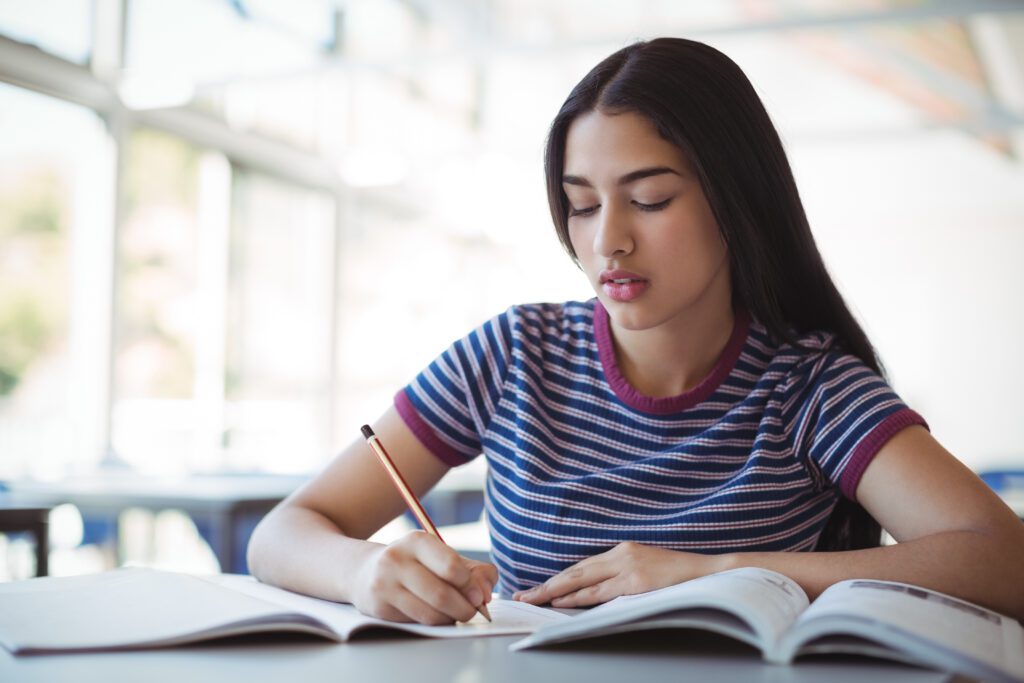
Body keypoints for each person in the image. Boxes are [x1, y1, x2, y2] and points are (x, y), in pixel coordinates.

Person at [247, 37, 1024, 625]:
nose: (607, 241)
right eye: (581, 204)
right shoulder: (514, 356)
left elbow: (1005, 556)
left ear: (735, 199)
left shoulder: (807, 385)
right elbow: (283, 533)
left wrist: (717, 570)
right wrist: (361, 574)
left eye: (649, 199)